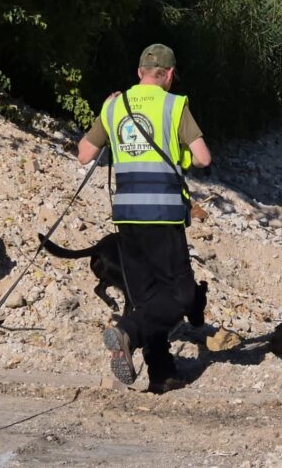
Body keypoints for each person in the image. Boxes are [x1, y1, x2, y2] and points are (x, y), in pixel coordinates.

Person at [76, 43, 211, 394]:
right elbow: (202, 158)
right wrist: (179, 152)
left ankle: (162, 373)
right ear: (168, 75)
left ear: (139, 73)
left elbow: (84, 153)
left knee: (146, 296)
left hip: (126, 216)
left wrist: (107, 115)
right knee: (181, 296)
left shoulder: (114, 106)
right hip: (163, 213)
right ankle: (129, 333)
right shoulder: (174, 104)